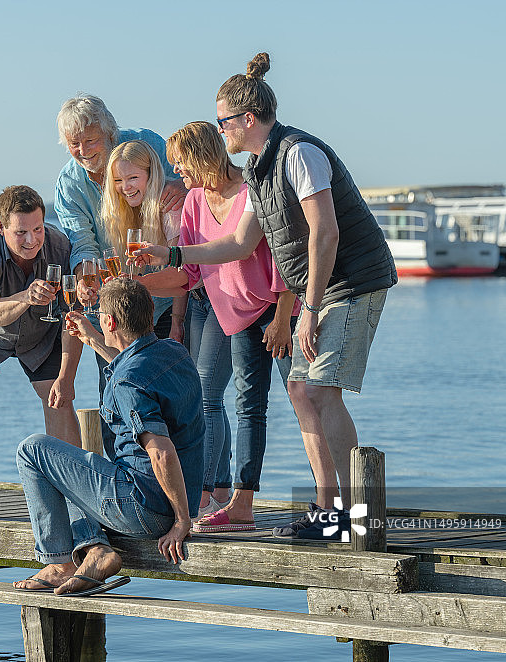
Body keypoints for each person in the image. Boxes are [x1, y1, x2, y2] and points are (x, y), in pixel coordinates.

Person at [137, 53, 396, 540]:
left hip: (353, 282)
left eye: (223, 122)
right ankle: (327, 510)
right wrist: (169, 252)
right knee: (301, 390)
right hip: (319, 289)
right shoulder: (257, 167)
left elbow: (325, 235)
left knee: (320, 389)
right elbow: (237, 243)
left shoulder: (300, 154)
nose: (221, 131)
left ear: (246, 120)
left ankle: (357, 515)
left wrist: (308, 309)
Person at [134, 121, 298, 532]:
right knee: (247, 405)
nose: (178, 174)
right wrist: (131, 285)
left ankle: (335, 507)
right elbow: (186, 275)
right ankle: (240, 505)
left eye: (182, 165)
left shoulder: (251, 188)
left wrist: (282, 317)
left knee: (305, 403)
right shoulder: (192, 201)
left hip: (277, 310)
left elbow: (281, 256)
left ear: (201, 157)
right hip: (237, 316)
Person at [12, 279, 203, 596]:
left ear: (110, 322)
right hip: (173, 498)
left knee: (32, 450)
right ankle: (94, 547)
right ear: (151, 311)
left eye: (100, 314)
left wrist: (182, 522)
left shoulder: (128, 382)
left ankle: (60, 564)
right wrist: (95, 342)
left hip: (144, 510)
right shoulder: (175, 352)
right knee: (72, 464)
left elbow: (161, 453)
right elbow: (134, 366)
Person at [54, 94, 187, 457]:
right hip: (116, 302)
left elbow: (191, 187)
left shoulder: (149, 144)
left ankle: (190, 489)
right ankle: (123, 480)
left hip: (171, 290)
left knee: (176, 392)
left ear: (109, 132)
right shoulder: (69, 185)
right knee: (116, 388)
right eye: (73, 143)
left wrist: (183, 187)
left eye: (90, 140)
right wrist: (84, 276)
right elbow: (82, 243)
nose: (82, 150)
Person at [0, 185, 83, 518]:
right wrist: (24, 296)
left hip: (40, 333)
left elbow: (73, 317)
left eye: (37, 229)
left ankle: (75, 492)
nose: (31, 240)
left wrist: (66, 377)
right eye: (20, 232)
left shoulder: (60, 246)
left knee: (59, 397)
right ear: (1, 227)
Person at [99, 140, 188, 341]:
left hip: (199, 303)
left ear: (150, 174)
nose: (125, 187)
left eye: (133, 178)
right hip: (167, 305)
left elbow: (184, 274)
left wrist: (177, 322)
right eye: (118, 180)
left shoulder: (170, 207)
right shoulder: (127, 212)